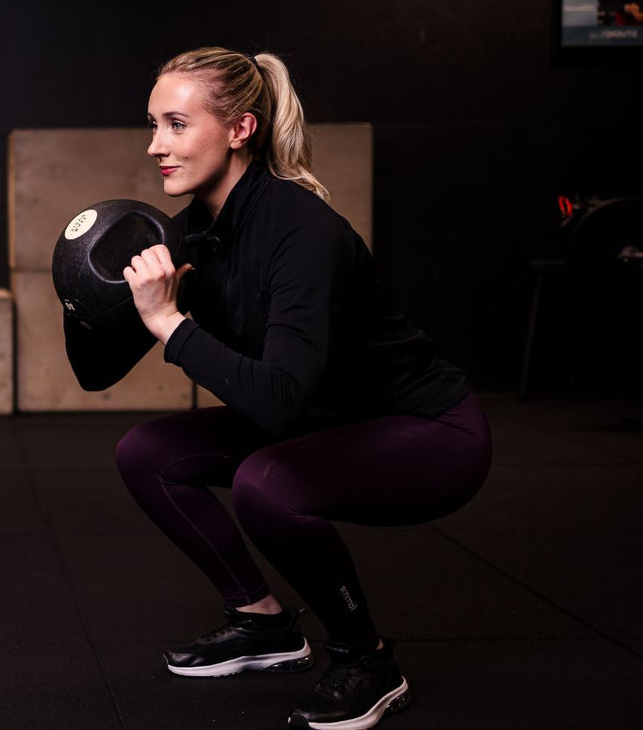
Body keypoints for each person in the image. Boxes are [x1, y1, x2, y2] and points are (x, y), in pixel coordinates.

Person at [62, 47, 492, 729]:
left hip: (427, 432)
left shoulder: (301, 231)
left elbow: (279, 400)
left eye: (176, 124)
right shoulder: (197, 229)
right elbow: (95, 374)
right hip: (323, 422)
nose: (155, 147)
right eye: (153, 125)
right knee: (147, 452)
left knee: (268, 480)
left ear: (240, 129)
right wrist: (83, 291)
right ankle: (262, 625)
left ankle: (367, 658)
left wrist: (169, 322)